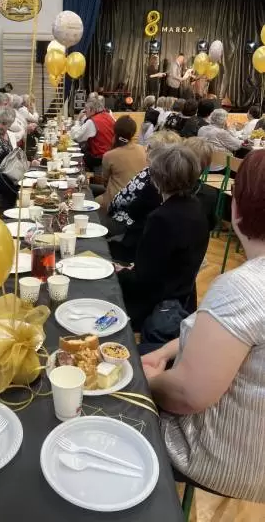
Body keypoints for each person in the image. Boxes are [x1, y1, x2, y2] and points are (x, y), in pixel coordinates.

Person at [142, 150, 265, 503]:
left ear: (236, 211)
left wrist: (145, 381)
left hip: (230, 458)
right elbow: (233, 336)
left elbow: (188, 396)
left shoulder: (243, 287)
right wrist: (167, 350)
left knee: (111, 399)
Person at [117, 144, 209, 330]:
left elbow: (145, 281)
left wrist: (119, 272)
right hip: (183, 295)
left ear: (157, 178)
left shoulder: (162, 218)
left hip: (156, 304)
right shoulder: (197, 206)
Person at [106, 131, 182, 263]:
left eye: (149, 148)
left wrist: (111, 209)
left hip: (135, 232)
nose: (146, 150)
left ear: (156, 154)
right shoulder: (178, 178)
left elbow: (123, 203)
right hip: (156, 238)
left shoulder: (150, 177)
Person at [94, 116, 147, 209]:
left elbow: (105, 181)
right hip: (138, 200)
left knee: (94, 202)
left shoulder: (109, 155)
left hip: (116, 201)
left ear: (115, 131)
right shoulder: (143, 150)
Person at [71, 98, 115, 172]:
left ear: (92, 110)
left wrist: (78, 119)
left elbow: (76, 136)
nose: (85, 112)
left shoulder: (92, 121)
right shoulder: (108, 116)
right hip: (111, 155)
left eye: (86, 109)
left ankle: (85, 176)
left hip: (99, 158)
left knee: (77, 160)